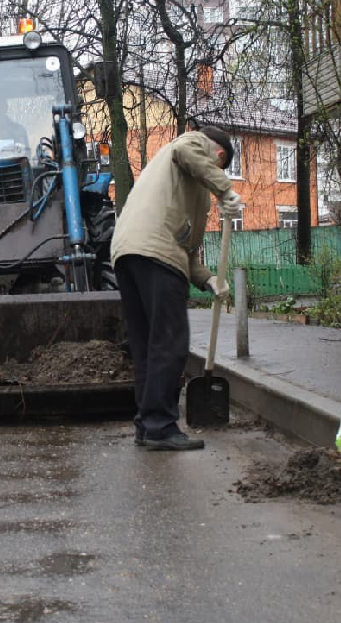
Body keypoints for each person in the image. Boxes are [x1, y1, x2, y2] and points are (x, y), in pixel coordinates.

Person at [110, 126, 241, 451]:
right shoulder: (192, 144)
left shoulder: (173, 180)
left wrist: (208, 279)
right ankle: (160, 425)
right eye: (216, 168)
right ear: (219, 156)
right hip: (156, 254)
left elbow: (184, 245)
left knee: (146, 346)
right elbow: (189, 151)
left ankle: (147, 424)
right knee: (170, 341)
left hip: (128, 253)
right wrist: (225, 190)